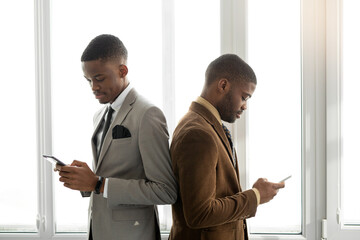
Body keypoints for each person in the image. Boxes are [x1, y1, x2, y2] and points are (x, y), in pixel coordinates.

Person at [56, 34, 177, 240]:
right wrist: (85, 180)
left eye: (99, 78)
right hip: (99, 230)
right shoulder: (99, 115)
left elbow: (165, 191)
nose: (93, 87)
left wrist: (98, 183)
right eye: (88, 80)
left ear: (123, 71)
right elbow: (107, 176)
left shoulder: (147, 114)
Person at [169, 54, 285, 240]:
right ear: (223, 85)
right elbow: (200, 213)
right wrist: (255, 196)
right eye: (244, 97)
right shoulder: (198, 134)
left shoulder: (204, 125)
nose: (245, 106)